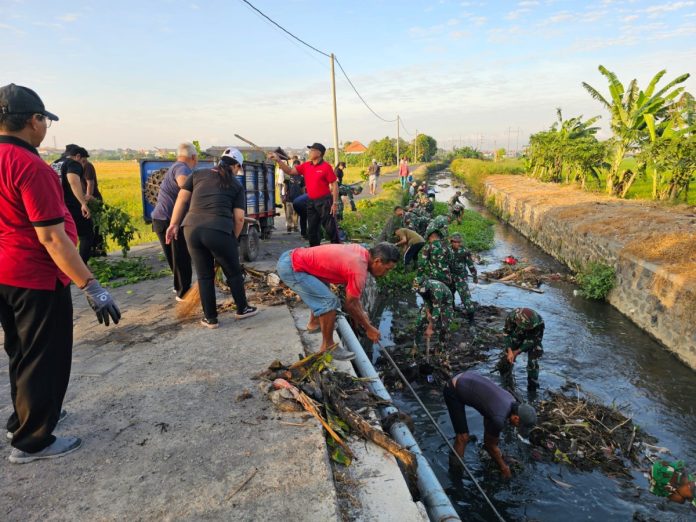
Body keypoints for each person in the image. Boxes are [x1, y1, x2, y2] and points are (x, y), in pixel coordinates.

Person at [0, 83, 120, 463]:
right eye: (44, 120)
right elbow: (52, 238)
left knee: (20, 349)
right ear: (34, 120)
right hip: (35, 276)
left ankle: (26, 415)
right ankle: (32, 440)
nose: (45, 128)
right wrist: (91, 284)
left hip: (5, 274)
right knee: (44, 355)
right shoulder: (29, 165)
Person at [165, 147, 257, 328]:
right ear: (236, 165)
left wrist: (173, 224)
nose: (238, 171)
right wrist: (233, 240)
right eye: (239, 168)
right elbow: (239, 218)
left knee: (204, 276)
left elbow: (182, 199)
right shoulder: (236, 185)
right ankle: (242, 309)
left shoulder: (198, 174)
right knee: (233, 273)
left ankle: (210, 318)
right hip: (218, 230)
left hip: (190, 229)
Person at [276, 242, 399, 359]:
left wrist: (362, 315)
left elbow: (354, 299)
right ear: (377, 261)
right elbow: (350, 305)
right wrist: (368, 328)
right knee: (329, 302)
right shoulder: (358, 270)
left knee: (323, 291)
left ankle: (314, 323)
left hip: (294, 258)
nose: (386, 273)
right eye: (387, 269)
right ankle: (327, 346)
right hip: (292, 267)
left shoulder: (361, 252)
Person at [444, 371, 536, 478]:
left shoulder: (511, 399)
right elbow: (491, 445)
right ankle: (455, 474)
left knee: (489, 430)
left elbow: (488, 413)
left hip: (464, 376)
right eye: (519, 425)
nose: (517, 427)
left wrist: (490, 444)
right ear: (516, 417)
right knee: (462, 437)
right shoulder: (499, 418)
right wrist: (503, 467)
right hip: (453, 389)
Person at [151, 142, 197, 300]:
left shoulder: (175, 166)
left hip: (160, 219)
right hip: (169, 221)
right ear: (193, 157)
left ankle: (178, 285)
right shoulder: (182, 168)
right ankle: (183, 293)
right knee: (181, 256)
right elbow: (183, 183)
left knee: (174, 256)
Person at [270, 143, 339, 247]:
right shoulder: (306, 165)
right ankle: (314, 251)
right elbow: (290, 171)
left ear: (319, 153)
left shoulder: (326, 167)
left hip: (324, 201)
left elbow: (334, 184)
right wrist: (279, 160)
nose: (310, 152)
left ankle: (338, 249)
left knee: (330, 228)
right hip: (311, 201)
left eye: (312, 150)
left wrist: (334, 203)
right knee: (312, 230)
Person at [51, 144, 94, 263]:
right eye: (83, 161)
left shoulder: (55, 163)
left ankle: (64, 265)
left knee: (63, 237)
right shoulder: (73, 163)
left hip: (56, 206)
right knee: (87, 234)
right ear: (78, 156)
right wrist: (83, 203)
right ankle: (81, 266)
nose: (83, 164)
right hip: (71, 205)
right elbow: (73, 181)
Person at [498, 308, 545, 390]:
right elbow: (506, 333)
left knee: (533, 359)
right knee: (508, 355)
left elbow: (535, 340)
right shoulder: (512, 317)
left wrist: (518, 351)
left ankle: (532, 382)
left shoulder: (539, 322)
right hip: (517, 335)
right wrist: (510, 350)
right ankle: (506, 376)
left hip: (532, 338)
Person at [78, 148, 107, 257]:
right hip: (87, 199)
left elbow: (90, 183)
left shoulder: (87, 166)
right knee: (92, 225)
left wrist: (88, 198)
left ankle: (98, 250)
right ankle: (94, 250)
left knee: (95, 226)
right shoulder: (78, 167)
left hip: (93, 200)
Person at [414, 277, 453, 353]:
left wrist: (430, 328)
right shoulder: (420, 289)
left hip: (445, 304)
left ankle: (441, 349)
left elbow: (436, 310)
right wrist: (428, 313)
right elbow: (426, 300)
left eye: (420, 290)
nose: (419, 291)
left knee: (443, 327)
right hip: (432, 302)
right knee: (419, 322)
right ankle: (416, 346)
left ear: (426, 287)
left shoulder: (436, 290)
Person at [449, 233, 478, 318]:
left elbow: (470, 265)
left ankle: (471, 317)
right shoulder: (447, 251)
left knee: (465, 297)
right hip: (450, 277)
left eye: (459, 242)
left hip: (461, 277)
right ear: (451, 242)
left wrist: (474, 276)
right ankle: (452, 310)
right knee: (449, 295)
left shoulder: (464, 252)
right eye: (455, 242)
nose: (457, 244)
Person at [283, 168, 305, 233]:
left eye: (297, 167)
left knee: (296, 213)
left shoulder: (301, 177)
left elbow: (303, 188)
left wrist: (303, 196)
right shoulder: (288, 176)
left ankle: (295, 227)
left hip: (298, 199)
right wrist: (284, 195)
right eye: (295, 167)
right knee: (289, 213)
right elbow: (285, 186)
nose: (296, 169)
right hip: (289, 198)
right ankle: (289, 227)